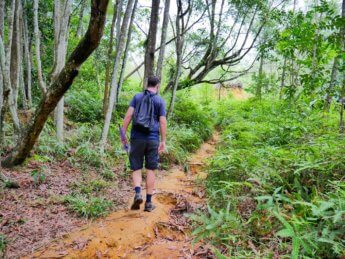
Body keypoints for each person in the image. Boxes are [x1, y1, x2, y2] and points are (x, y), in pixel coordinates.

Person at [121, 76, 167, 212]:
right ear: (157, 86)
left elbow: (129, 115)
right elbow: (163, 122)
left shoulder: (137, 97)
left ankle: (137, 193)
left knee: (136, 167)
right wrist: (163, 140)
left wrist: (123, 133)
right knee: (151, 169)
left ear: (147, 84)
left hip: (137, 138)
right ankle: (148, 203)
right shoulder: (160, 101)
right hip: (153, 139)